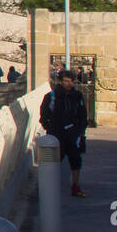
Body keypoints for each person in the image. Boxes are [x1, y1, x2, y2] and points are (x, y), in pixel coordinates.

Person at [41, 69, 89, 197]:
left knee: (76, 160)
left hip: (73, 133)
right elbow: (44, 115)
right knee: (53, 161)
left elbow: (82, 115)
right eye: (66, 81)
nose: (69, 84)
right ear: (60, 81)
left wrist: (80, 131)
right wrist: (51, 128)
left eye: (71, 81)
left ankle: (75, 186)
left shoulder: (77, 96)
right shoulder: (51, 96)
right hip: (56, 133)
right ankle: (50, 188)